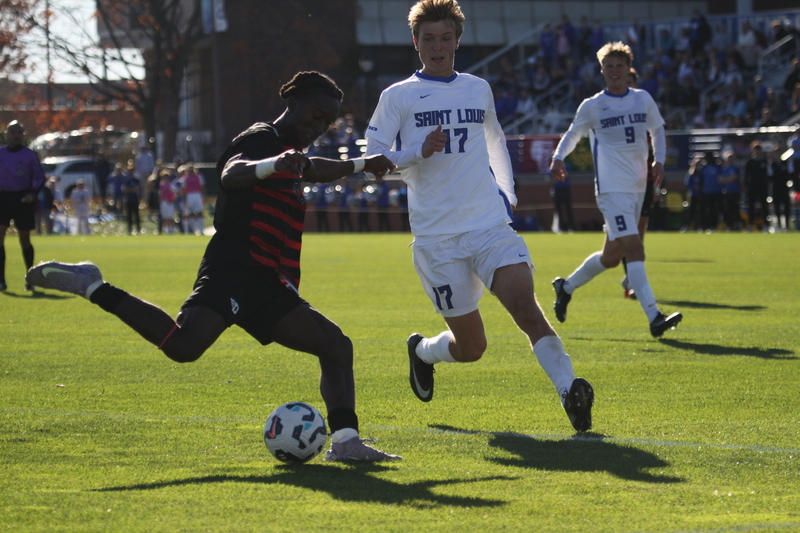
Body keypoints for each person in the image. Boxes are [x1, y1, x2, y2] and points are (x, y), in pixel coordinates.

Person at [26, 71, 400, 462]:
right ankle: (92, 285)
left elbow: (317, 169)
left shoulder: (292, 152)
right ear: (295, 103)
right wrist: (274, 164)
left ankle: (345, 443)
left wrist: (361, 165)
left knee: (336, 345)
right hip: (234, 265)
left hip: (268, 279)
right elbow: (230, 174)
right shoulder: (261, 138)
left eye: (327, 121)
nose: (320, 127)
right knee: (184, 347)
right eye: (316, 115)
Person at [365, 0, 594, 433]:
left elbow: (495, 140)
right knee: (472, 346)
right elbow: (373, 159)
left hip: (488, 225)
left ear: (457, 41)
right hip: (436, 239)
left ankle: (569, 392)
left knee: (526, 307)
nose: (438, 46)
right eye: (428, 38)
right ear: (416, 43)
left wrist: (506, 195)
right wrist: (417, 151)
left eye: (445, 38)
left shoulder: (477, 88)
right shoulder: (397, 96)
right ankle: (423, 352)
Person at [549, 41, 682, 338]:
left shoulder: (642, 99)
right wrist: (558, 157)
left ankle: (565, 287)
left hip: (637, 188)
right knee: (635, 248)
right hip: (611, 192)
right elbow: (573, 134)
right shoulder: (593, 105)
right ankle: (654, 317)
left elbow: (658, 130)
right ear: (602, 70)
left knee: (610, 257)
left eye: (619, 65)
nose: (614, 71)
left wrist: (659, 161)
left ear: (628, 68)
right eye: (608, 66)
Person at [0, 120, 45, 291]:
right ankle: (1, 280)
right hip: (3, 198)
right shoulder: (1, 153)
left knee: (25, 240)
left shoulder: (29, 155)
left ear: (23, 135)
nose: (16, 135)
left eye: (19, 132)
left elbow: (40, 177)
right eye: (13, 132)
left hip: (22, 199)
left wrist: (32, 194)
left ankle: (30, 278)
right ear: (7, 134)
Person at [744, 142, 769, 232]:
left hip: (762, 187)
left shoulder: (764, 162)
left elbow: (767, 175)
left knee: (764, 207)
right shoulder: (750, 162)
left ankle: (766, 225)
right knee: (751, 207)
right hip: (752, 188)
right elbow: (746, 176)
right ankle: (751, 225)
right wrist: (746, 187)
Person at [178, 163, 205, 235]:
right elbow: (183, 190)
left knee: (199, 213)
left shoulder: (199, 177)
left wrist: (203, 197)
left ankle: (201, 230)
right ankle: (191, 230)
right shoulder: (184, 178)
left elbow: (202, 187)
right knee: (190, 214)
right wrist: (184, 199)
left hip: (197, 194)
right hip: (189, 195)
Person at [122, 163, 141, 235]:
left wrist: (130, 189)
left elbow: (136, 189)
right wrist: (131, 189)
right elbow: (124, 189)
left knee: (136, 215)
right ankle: (129, 229)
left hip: (135, 199)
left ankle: (138, 229)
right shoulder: (126, 180)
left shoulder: (136, 180)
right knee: (128, 215)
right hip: (128, 199)